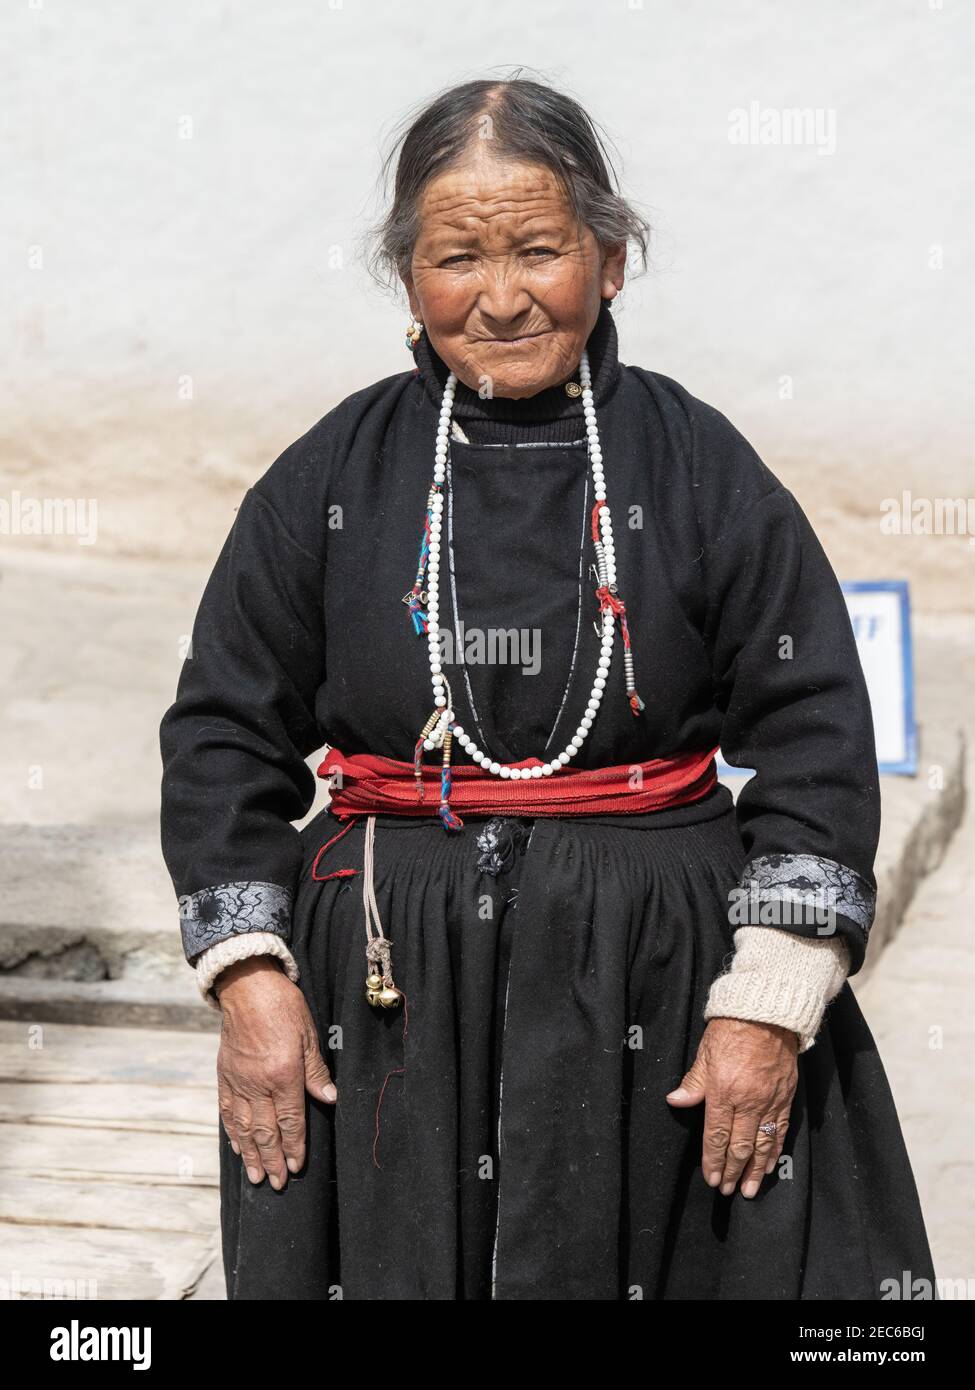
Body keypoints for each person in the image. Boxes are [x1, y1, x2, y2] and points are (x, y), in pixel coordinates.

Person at [158, 76, 936, 1300]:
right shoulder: (330, 477)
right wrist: (251, 984)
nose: (502, 295)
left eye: (540, 249)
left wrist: (771, 1001)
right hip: (390, 998)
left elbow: (817, 729)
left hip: (660, 976)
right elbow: (221, 734)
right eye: (456, 256)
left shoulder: (699, 467)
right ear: (408, 278)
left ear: (611, 260)